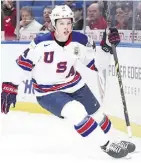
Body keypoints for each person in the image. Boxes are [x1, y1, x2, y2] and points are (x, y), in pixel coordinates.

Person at [1, 5, 135, 159]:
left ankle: (115, 140)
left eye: (69, 23)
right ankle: (106, 145)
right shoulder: (40, 43)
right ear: (53, 24)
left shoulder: (81, 40)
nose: (66, 27)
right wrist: (11, 85)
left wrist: (105, 49)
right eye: (61, 23)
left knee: (98, 115)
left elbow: (98, 66)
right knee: (77, 111)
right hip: (48, 92)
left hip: (75, 85)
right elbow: (23, 65)